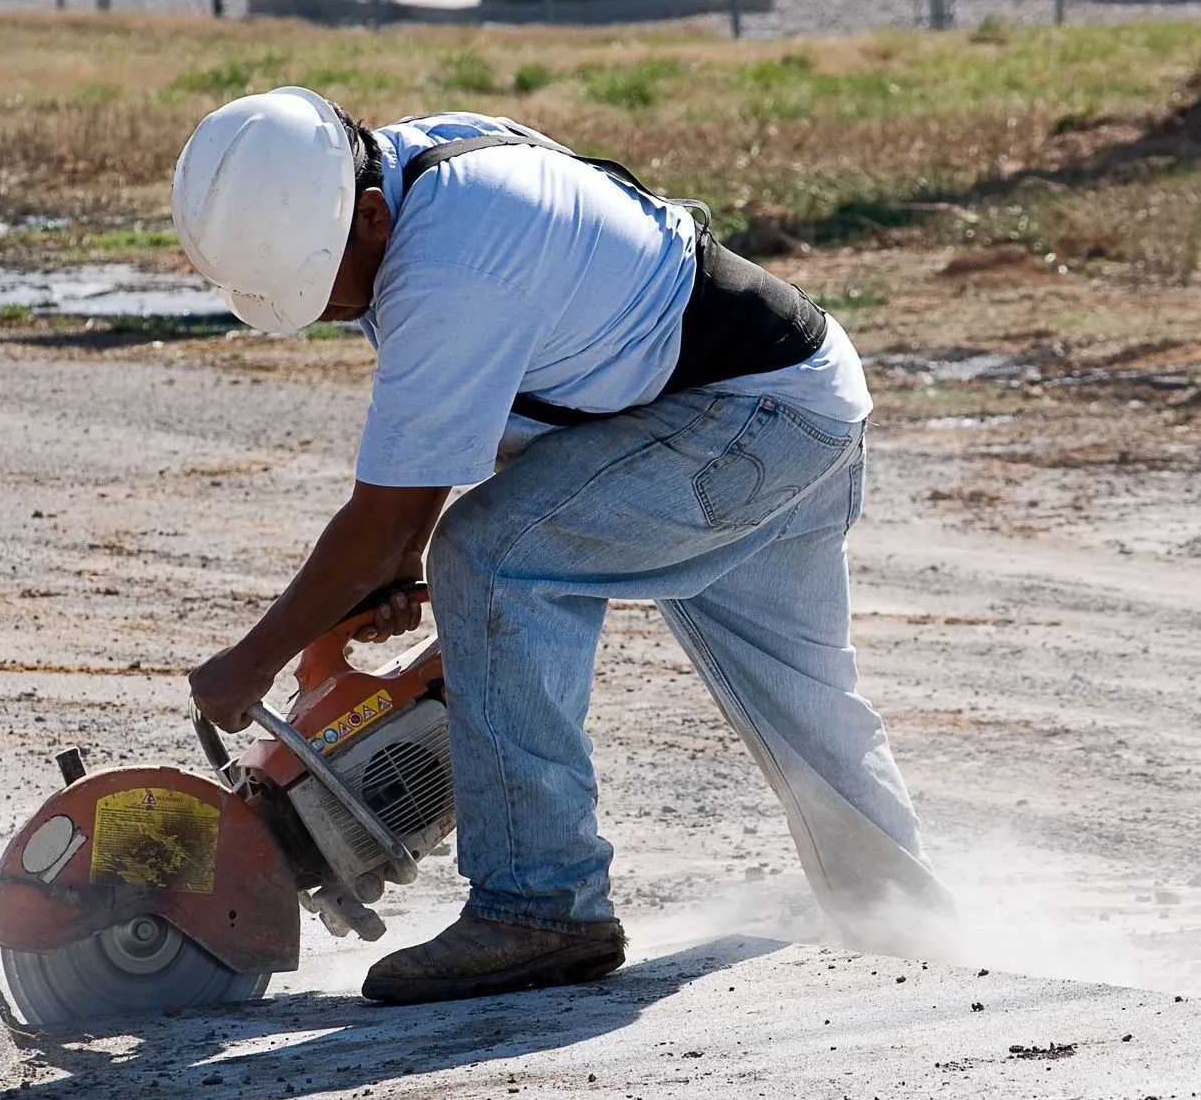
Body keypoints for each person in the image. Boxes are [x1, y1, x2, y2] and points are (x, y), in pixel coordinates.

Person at [177, 86, 949, 1005]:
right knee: (800, 691)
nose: (331, 316)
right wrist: (364, 593)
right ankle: (905, 917)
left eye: (323, 295)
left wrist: (252, 662)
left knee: (493, 561)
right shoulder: (422, 170)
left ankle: (541, 904)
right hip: (801, 399)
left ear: (370, 217)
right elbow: (405, 508)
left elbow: (390, 519)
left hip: (738, 422)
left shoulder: (450, 262)